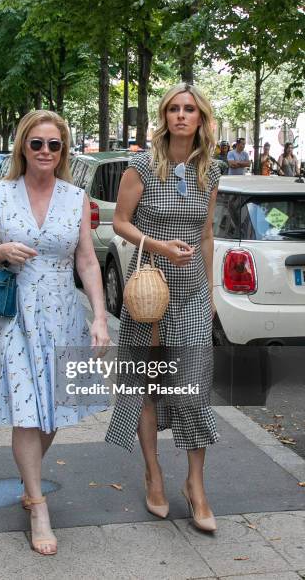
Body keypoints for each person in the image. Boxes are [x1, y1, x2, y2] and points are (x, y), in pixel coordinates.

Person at [0, 110, 110, 555]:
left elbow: (87, 261)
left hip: (62, 314)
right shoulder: (1, 194)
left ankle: (29, 476)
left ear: (63, 150)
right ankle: (37, 503)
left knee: (51, 411)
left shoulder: (75, 197)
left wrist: (100, 317)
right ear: (23, 148)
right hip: (13, 314)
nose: (46, 151)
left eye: (54, 144)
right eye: (37, 144)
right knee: (27, 410)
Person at [105, 83, 220, 532]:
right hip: (147, 289)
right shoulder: (142, 165)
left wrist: (210, 294)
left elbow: (207, 233)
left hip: (191, 292)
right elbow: (120, 221)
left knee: (193, 388)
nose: (181, 115)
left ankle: (195, 485)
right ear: (164, 116)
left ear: (201, 118)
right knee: (147, 384)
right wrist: (156, 245)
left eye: (189, 109)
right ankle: (153, 474)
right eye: (174, 108)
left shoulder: (209, 171)